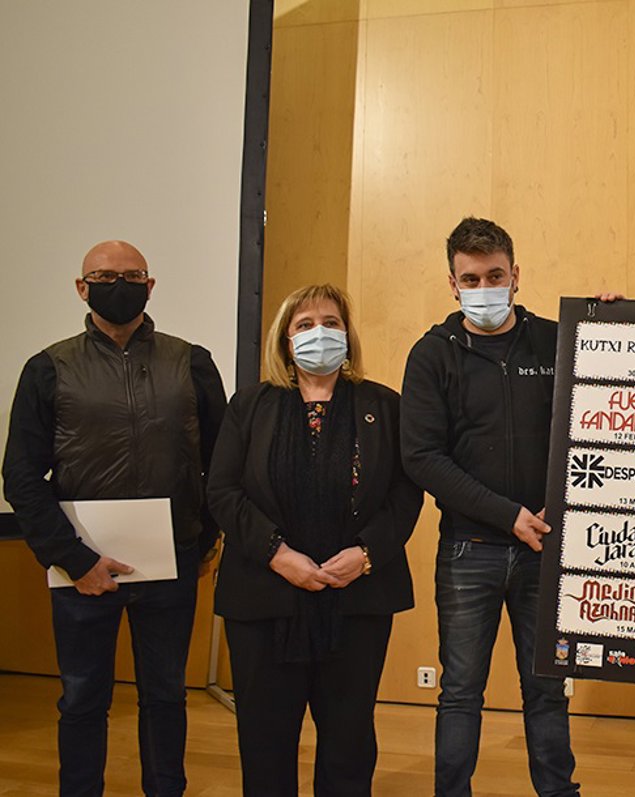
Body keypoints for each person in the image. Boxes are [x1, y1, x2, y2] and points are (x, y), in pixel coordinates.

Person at [2, 240, 226, 797]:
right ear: (82, 288)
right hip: (81, 570)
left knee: (166, 696)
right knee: (82, 698)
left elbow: (221, 463)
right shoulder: (47, 368)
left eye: (131, 275)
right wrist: (73, 559)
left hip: (172, 564)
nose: (118, 285)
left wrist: (204, 540)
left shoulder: (192, 361)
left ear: (150, 286)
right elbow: (21, 477)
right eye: (104, 277)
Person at [207, 284, 422, 796]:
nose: (319, 333)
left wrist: (366, 554)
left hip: (357, 599)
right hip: (263, 596)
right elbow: (222, 491)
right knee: (265, 741)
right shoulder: (250, 406)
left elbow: (405, 493)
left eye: (331, 322)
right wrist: (277, 554)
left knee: (349, 741)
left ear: (347, 335)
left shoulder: (383, 406)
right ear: (285, 340)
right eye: (305, 325)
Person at [401, 217, 582, 797]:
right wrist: (507, 515)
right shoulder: (431, 355)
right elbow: (423, 458)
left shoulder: (558, 340)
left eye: (495, 276)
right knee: (460, 694)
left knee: (547, 690)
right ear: (453, 284)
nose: (485, 288)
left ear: (516, 275)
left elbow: (610, 389)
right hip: (468, 550)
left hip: (546, 549)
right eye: (472, 279)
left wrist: (608, 321)